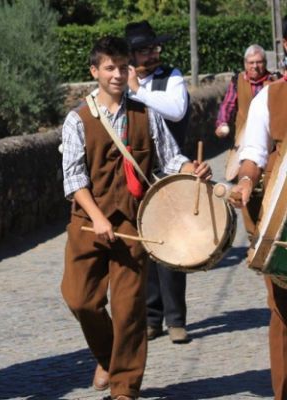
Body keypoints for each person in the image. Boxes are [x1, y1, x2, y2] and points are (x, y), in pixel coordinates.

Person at [61, 35, 211, 400]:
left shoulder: (146, 114)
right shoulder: (77, 119)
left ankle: (125, 388)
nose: (117, 74)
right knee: (80, 299)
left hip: (134, 225)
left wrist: (191, 169)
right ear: (94, 72)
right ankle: (107, 356)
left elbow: (170, 158)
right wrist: (97, 217)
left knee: (129, 309)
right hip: (88, 223)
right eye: (109, 68)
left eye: (122, 67)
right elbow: (74, 179)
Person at [229, 16, 287, 400]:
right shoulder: (270, 97)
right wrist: (247, 180)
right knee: (283, 313)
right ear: (286, 45)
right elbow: (252, 153)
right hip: (283, 220)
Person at [125, 20, 190, 344]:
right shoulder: (122, 84)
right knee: (145, 244)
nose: (152, 55)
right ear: (132, 56)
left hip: (170, 170)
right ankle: (152, 317)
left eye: (154, 48)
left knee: (172, 244)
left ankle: (176, 319)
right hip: (137, 174)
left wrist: (139, 92)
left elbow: (176, 111)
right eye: (145, 51)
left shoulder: (171, 77)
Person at [215, 45, 280, 235]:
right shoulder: (237, 82)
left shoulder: (274, 84)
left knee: (269, 191)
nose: (255, 66)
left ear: (265, 63)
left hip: (271, 148)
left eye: (259, 62)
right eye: (251, 63)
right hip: (244, 147)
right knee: (246, 191)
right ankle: (253, 235)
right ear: (245, 64)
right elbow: (227, 105)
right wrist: (222, 123)